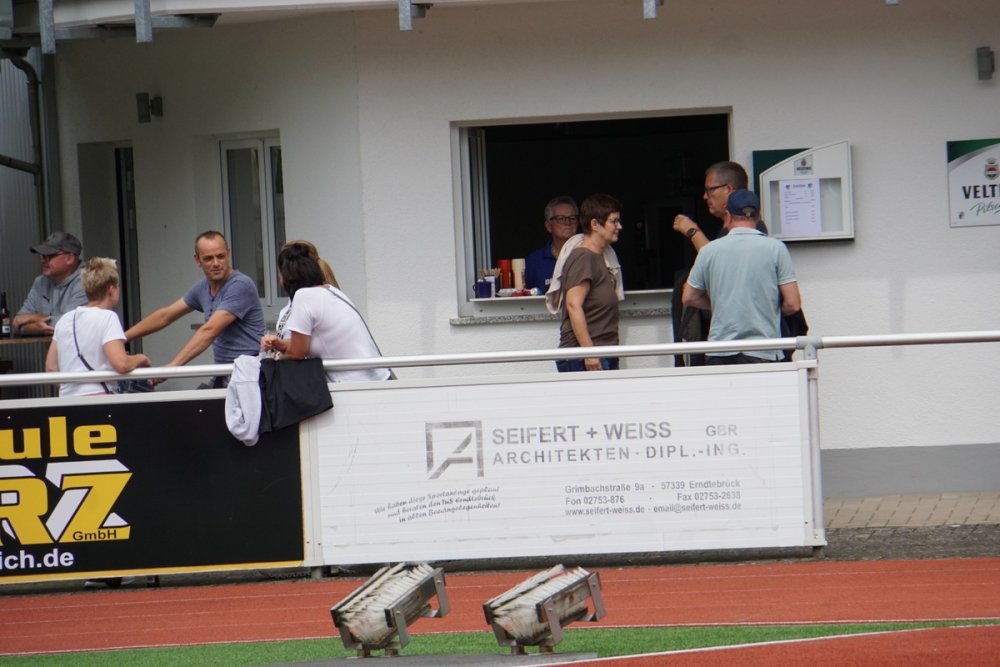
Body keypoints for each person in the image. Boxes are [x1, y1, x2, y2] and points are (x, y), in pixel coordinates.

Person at [125, 231, 264, 387]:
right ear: (197, 260)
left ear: (229, 254)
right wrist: (121, 338)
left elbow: (209, 331)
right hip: (225, 375)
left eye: (221, 256)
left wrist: (172, 367)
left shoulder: (240, 285)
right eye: (208, 258)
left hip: (249, 377)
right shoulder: (203, 287)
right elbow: (165, 316)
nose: (216, 263)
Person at [682, 189, 801, 365]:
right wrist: (768, 310)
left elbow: (689, 297)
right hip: (764, 350)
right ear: (759, 215)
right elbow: (793, 304)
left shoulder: (709, 251)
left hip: (719, 351)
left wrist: (720, 304)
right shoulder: (776, 248)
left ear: (728, 215)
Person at [670, 161, 768, 366]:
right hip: (727, 340)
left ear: (728, 189)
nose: (705, 197)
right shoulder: (727, 232)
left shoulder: (753, 231)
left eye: (710, 190)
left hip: (745, 345)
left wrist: (693, 231)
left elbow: (719, 262)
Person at [261, 242, 391, 382]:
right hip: (378, 378)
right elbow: (303, 344)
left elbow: (297, 353)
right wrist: (279, 344)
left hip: (356, 384)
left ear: (286, 276)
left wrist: (275, 360)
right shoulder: (330, 291)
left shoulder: (304, 296)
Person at [44, 258, 151, 396]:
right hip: (100, 398)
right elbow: (121, 364)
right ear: (111, 289)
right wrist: (141, 358)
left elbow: (51, 368)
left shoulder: (65, 320)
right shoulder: (108, 317)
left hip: (67, 398)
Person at [552, 194, 624, 372]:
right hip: (584, 357)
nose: (619, 227)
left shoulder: (601, 257)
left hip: (601, 351)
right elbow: (573, 304)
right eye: (613, 221)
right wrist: (589, 353)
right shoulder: (584, 257)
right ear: (595, 224)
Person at [13, 231, 88, 336]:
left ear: (70, 258)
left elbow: (71, 324)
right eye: (42, 256)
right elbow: (18, 322)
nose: (43, 261)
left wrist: (34, 317)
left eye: (49, 256)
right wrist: (36, 327)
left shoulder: (88, 281)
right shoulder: (40, 282)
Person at [524, 196, 579, 292]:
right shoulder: (535, 261)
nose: (568, 222)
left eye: (572, 218)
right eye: (561, 218)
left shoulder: (586, 254)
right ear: (549, 226)